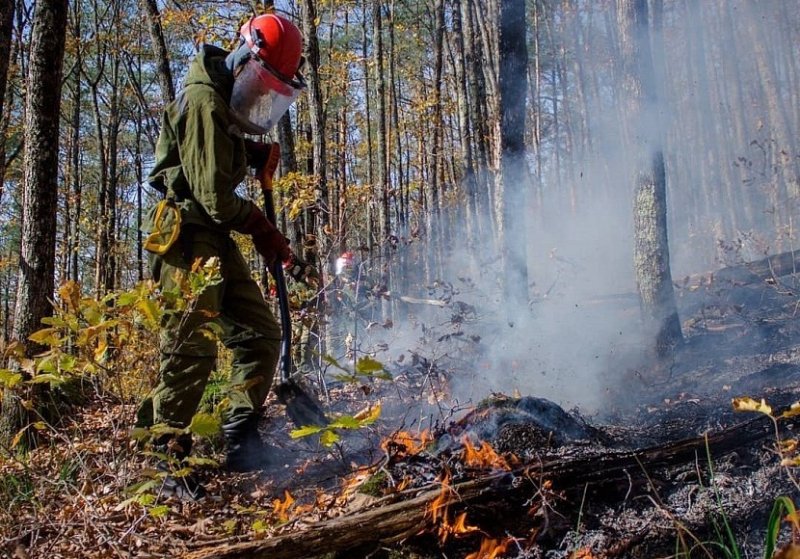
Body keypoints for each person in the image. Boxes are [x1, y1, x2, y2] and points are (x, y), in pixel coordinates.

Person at [137, 13, 309, 500]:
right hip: (187, 231)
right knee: (191, 344)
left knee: (260, 332)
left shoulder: (223, 100)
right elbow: (212, 193)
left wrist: (251, 155)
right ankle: (164, 452)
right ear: (245, 58)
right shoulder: (202, 100)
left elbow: (214, 155)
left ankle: (240, 437)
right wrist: (260, 226)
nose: (260, 94)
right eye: (262, 81)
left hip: (211, 230)